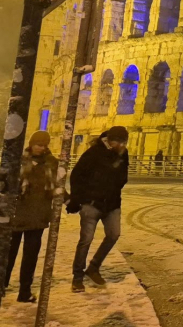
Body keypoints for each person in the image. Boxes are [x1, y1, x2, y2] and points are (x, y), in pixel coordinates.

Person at [68, 126, 130, 293]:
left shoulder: (123, 153)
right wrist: (78, 199)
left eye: (124, 142)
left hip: (112, 203)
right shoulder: (94, 152)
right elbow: (77, 175)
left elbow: (123, 176)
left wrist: (116, 184)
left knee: (114, 234)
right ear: (110, 140)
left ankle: (93, 267)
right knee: (86, 240)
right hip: (92, 203)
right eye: (119, 142)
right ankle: (77, 276)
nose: (122, 145)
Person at [4, 131, 58, 303]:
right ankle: (1, 286)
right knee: (8, 254)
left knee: (30, 256)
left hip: (37, 216)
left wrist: (70, 200)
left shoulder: (52, 163)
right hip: (16, 215)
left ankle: (24, 291)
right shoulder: (19, 161)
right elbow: (6, 184)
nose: (41, 148)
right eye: (38, 144)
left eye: (44, 145)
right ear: (31, 143)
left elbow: (56, 186)